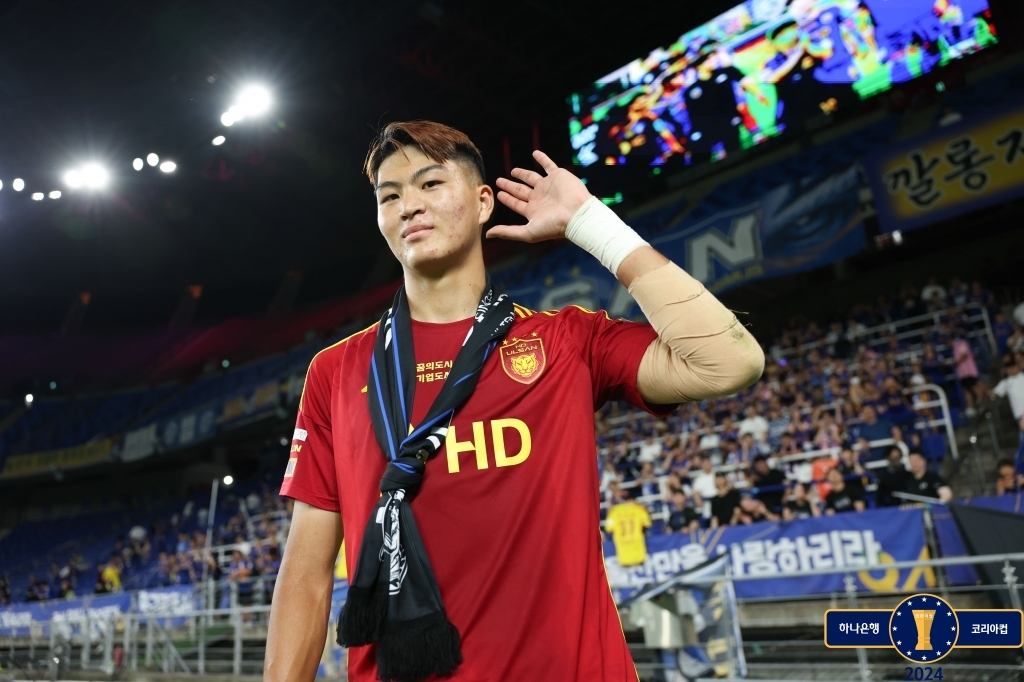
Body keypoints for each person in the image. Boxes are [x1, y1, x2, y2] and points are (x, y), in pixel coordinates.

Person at [265, 121, 764, 682]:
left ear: (483, 203)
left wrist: (592, 225)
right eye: (390, 195)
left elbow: (730, 362)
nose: (408, 205)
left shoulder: (565, 342)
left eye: (430, 184)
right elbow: (307, 571)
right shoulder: (336, 371)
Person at [990, 358, 1024, 473]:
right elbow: (994, 393)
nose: (1011, 370)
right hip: (1019, 419)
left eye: (1013, 367)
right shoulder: (1006, 382)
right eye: (1008, 368)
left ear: (1018, 367)